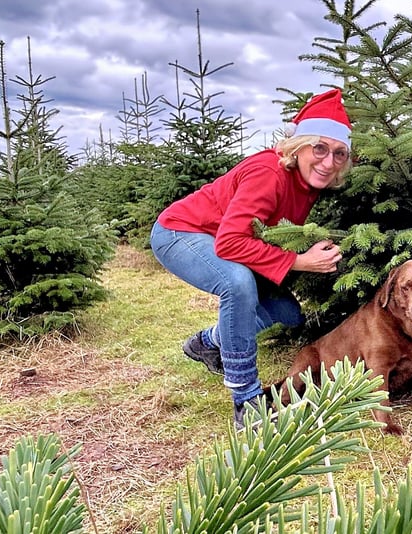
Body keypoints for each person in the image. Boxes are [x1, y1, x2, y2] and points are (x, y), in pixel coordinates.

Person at [149, 88, 352, 428]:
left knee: (286, 312)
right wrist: (300, 261)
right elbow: (230, 242)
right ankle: (247, 401)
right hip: (178, 232)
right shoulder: (269, 174)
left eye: (339, 153)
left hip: (221, 239)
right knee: (237, 283)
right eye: (319, 148)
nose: (328, 162)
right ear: (298, 146)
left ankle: (207, 343)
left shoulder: (308, 182)